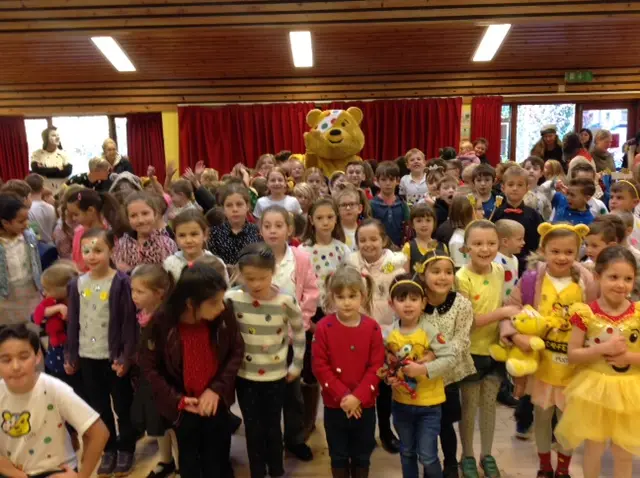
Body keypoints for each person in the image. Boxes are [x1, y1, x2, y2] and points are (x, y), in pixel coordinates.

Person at [503, 223, 597, 478]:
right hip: (541, 364)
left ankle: (563, 469)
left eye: (569, 251)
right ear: (543, 249)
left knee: (568, 421)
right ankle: (544, 466)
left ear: (578, 252)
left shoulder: (586, 281)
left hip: (573, 366)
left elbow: (596, 320)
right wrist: (515, 336)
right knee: (542, 418)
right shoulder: (532, 279)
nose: (562, 257)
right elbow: (512, 309)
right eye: (555, 251)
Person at [139, 263, 243, 478]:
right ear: (190, 303)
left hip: (216, 401)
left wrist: (216, 390)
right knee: (189, 462)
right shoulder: (161, 323)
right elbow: (149, 367)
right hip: (183, 408)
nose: (222, 307)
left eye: (222, 300)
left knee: (218, 461)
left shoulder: (224, 315)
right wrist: (178, 400)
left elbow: (236, 351)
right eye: (214, 302)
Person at [555, 246, 640, 478]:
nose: (620, 284)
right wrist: (602, 349)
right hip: (595, 391)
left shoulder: (638, 314)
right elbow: (572, 355)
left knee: (624, 453)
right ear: (597, 276)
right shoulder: (585, 314)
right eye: (613, 277)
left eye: (628, 279)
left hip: (631, 392)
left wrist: (627, 357)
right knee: (594, 449)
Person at [225, 243, 305, 478]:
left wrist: (296, 365)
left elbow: (299, 334)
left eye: (263, 277)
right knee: (252, 427)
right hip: (245, 376)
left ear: (274, 271)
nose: (257, 284)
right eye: (250, 278)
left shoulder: (286, 301)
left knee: (272, 425)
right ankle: (257, 471)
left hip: (276, 376)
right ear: (240, 273)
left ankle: (277, 470)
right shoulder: (232, 298)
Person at [64, 228, 138, 476]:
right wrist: (71, 354)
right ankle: (108, 448)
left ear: (111, 250)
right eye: (87, 251)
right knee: (98, 405)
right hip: (87, 356)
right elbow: (73, 322)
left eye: (98, 250)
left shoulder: (122, 282)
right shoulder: (77, 284)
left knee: (122, 404)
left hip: (114, 358)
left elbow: (129, 323)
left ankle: (126, 447)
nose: (92, 256)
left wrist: (125, 357)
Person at [0, 324, 109, 478]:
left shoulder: (54, 389)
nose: (16, 366)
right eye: (6, 360)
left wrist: (82, 476)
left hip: (55, 471)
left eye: (24, 357)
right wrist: (15, 473)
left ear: (37, 357)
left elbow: (99, 432)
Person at [455, 220, 520, 478]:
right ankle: (468, 455)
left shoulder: (499, 269)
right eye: (478, 244)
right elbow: (467, 322)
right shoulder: (461, 278)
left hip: (495, 352)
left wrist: (506, 330)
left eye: (491, 243)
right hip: (471, 354)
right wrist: (503, 312)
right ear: (466, 248)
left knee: (489, 406)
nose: (485, 249)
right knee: (469, 407)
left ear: (499, 244)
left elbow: (506, 301)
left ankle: (487, 454)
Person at [312, 265, 384, 478]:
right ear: (332, 297)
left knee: (362, 454)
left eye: (352, 296)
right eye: (340, 296)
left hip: (365, 405)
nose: (346, 302)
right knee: (339, 454)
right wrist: (345, 396)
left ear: (363, 295)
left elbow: (376, 366)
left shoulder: (372, 328)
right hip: (336, 405)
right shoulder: (324, 327)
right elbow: (320, 367)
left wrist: (358, 397)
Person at [260, 205, 319, 461]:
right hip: (262, 339)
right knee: (267, 394)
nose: (273, 231)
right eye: (267, 226)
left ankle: (294, 438)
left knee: (292, 392)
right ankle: (269, 439)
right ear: (260, 229)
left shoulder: (301, 258)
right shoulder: (254, 256)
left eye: (278, 225)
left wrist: (300, 322)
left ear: (289, 229)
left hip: (293, 336)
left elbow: (311, 292)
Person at [385, 272, 456, 478]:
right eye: (401, 299)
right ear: (392, 304)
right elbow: (386, 366)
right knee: (407, 452)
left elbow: (450, 358)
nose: (408, 304)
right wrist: (388, 377)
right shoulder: (389, 334)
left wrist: (423, 369)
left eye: (414, 299)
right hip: (401, 405)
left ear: (423, 303)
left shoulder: (430, 331)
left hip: (429, 407)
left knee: (427, 456)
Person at [347, 219, 407, 454]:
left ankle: (385, 430)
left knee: (384, 387)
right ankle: (365, 432)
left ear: (383, 240)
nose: (368, 244)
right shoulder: (351, 264)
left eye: (374, 239)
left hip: (388, 335)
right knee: (362, 384)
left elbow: (403, 298)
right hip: (359, 335)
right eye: (363, 240)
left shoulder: (397, 263)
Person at [418, 246, 475, 478]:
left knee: (445, 422)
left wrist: (438, 356)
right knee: (425, 423)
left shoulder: (461, 304)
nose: (443, 277)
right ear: (423, 275)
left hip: (448, 374)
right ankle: (428, 465)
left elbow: (462, 340)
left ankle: (450, 463)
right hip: (422, 373)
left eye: (448, 272)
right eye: (436, 271)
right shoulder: (416, 301)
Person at [129, 265, 177, 478]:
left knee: (174, 426)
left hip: (166, 380)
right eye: (133, 290)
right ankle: (166, 460)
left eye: (140, 291)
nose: (134, 296)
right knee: (158, 424)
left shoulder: (167, 317)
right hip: (149, 379)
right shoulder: (143, 314)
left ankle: (183, 464)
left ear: (159, 293)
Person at [33, 260, 80, 385]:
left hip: (74, 362)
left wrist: (72, 360)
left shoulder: (78, 307)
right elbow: (35, 317)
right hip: (54, 360)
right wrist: (57, 308)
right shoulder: (52, 302)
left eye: (47, 289)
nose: (44, 293)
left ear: (62, 290)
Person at [491, 165, 544, 275]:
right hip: (500, 267)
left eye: (520, 185)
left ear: (526, 188)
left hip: (527, 267)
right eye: (510, 184)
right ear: (503, 187)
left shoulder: (534, 215)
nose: (515, 188)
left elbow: (541, 241)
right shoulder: (496, 214)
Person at [0, 194, 43, 325]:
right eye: (21, 221)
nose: (26, 224)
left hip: (30, 292)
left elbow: (36, 262)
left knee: (31, 329)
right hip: (6, 297)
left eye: (27, 219)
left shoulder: (29, 237)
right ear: (5, 223)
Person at [113, 192, 178, 273]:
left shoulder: (166, 244)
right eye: (133, 215)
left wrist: (131, 270)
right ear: (128, 219)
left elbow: (167, 276)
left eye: (145, 213)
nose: (140, 220)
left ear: (155, 214)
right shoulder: (122, 244)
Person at [66, 189, 126, 272]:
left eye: (76, 214)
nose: (73, 218)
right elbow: (77, 261)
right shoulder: (79, 232)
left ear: (91, 210)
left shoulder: (110, 232)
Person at [164, 209, 226, 283]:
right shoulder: (169, 264)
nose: (188, 240)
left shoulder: (216, 263)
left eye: (194, 234)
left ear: (205, 234)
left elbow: (224, 291)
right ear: (175, 237)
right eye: (182, 235)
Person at [207, 183, 262, 265]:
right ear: (223, 208)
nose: (235, 209)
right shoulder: (214, 233)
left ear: (247, 206)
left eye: (239, 204)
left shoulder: (257, 232)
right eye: (229, 205)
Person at [371, 161, 410, 247]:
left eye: (391, 179)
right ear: (376, 181)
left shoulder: (402, 204)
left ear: (398, 181)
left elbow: (408, 229)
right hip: (377, 248)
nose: (388, 183)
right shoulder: (371, 204)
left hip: (399, 249)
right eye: (383, 179)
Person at [449, 195, 483, 269]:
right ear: (466, 212)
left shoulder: (473, 235)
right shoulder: (458, 242)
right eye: (479, 209)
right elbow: (460, 273)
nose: (483, 212)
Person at [402, 203, 438, 273]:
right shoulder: (408, 248)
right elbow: (406, 276)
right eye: (419, 221)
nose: (424, 225)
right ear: (412, 224)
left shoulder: (442, 247)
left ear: (434, 223)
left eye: (428, 220)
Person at [494, 219, 525, 301]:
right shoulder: (496, 262)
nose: (523, 242)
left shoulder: (515, 259)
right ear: (505, 242)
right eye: (519, 239)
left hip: (511, 302)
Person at [25, 173, 57, 243]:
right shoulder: (51, 208)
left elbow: (34, 233)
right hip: (50, 244)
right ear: (42, 188)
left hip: (37, 244)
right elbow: (54, 228)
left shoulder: (29, 210)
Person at [609, 179, 640, 249]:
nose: (613, 201)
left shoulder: (638, 225)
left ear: (635, 202)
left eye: (619, 198)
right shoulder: (602, 222)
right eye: (611, 197)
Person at [336, 184, 368, 252]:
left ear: (360, 208)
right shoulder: (334, 231)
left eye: (352, 204)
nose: (348, 208)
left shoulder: (365, 230)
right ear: (337, 210)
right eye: (344, 205)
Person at [522, 156, 553, 221]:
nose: (531, 171)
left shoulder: (544, 193)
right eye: (528, 168)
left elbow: (548, 216)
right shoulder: (518, 191)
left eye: (535, 169)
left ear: (541, 173)